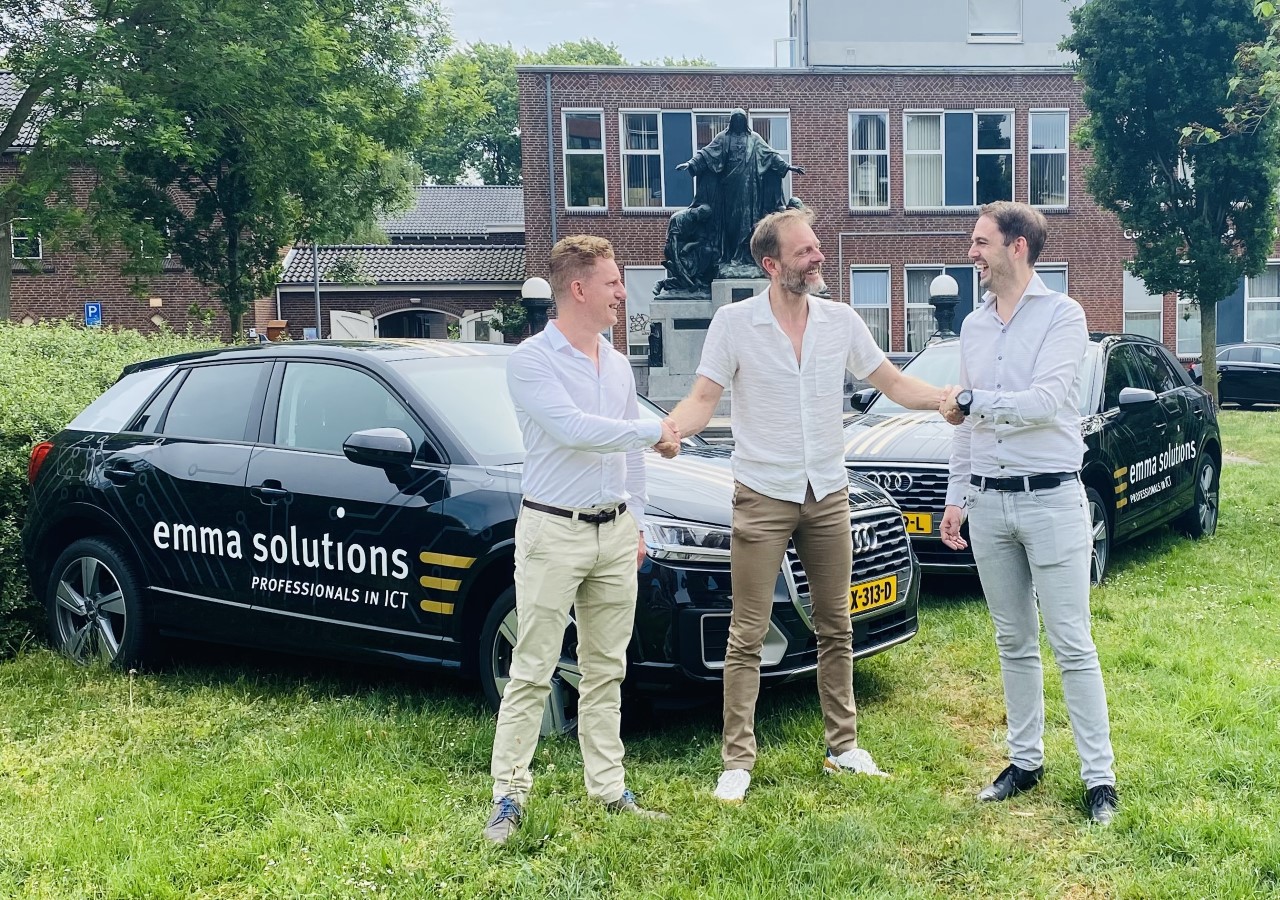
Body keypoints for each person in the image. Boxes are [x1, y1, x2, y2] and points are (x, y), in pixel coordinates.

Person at [666, 206, 951, 803]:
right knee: (747, 632)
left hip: (827, 493)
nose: (819, 256)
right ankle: (737, 761)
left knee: (836, 625)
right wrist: (670, 430)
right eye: (805, 251)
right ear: (772, 265)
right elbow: (702, 399)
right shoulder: (733, 323)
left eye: (817, 246)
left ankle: (843, 748)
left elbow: (893, 382)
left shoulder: (840, 320)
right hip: (762, 494)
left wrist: (944, 399)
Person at [484, 235, 681, 844]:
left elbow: (629, 457)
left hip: (615, 530)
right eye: (613, 282)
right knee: (533, 666)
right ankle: (508, 797)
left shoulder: (616, 364)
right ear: (578, 288)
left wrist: (637, 520)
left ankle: (609, 789)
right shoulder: (531, 361)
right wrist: (652, 429)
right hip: (552, 531)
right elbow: (573, 430)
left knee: (606, 669)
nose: (623, 293)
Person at [939, 201, 1118, 826]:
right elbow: (963, 426)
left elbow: (1044, 401)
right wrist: (957, 496)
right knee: (1013, 640)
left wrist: (970, 399)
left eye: (981, 242)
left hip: (1052, 500)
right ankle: (1025, 761)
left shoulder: (1064, 315)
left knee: (1071, 642)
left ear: (1017, 247)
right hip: (989, 504)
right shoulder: (973, 326)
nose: (972, 252)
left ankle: (1099, 780)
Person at [676, 109, 804, 275]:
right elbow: (706, 153)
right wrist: (690, 164)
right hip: (729, 190)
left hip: (750, 191)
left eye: (740, 120)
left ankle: (747, 258)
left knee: (749, 223)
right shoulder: (723, 138)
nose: (738, 123)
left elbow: (771, 156)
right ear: (732, 122)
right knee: (731, 224)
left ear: (744, 122)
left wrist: (788, 167)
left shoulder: (754, 139)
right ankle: (731, 258)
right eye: (735, 120)